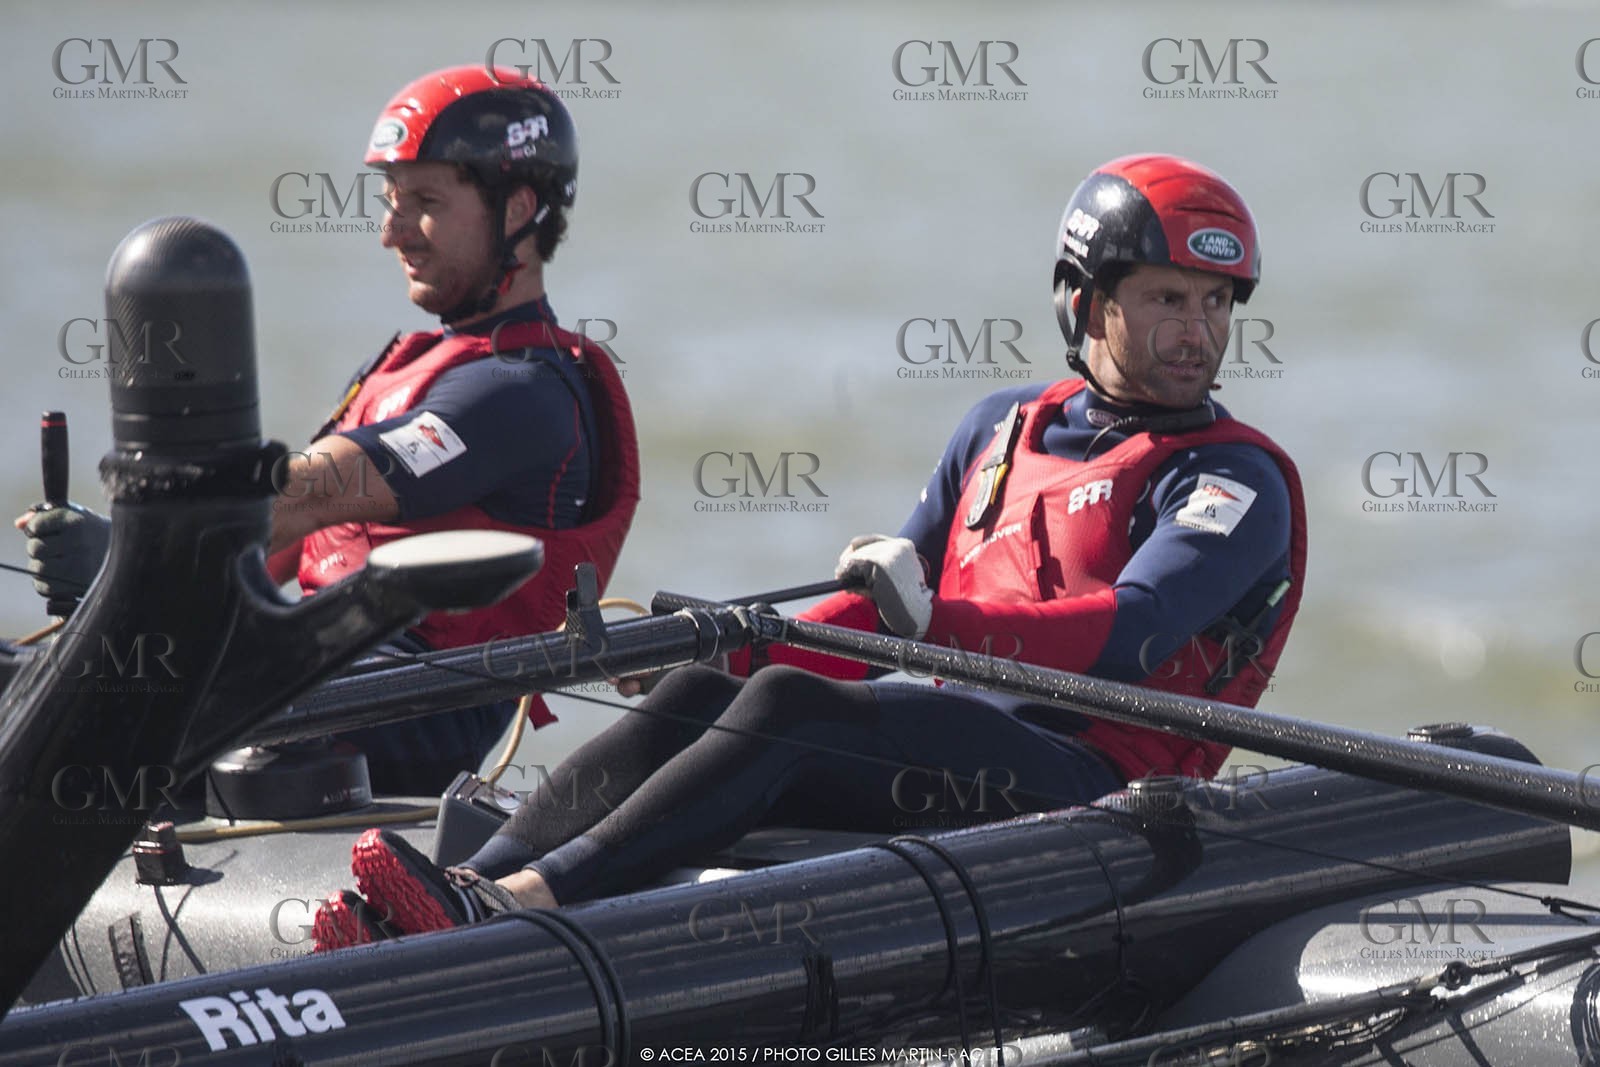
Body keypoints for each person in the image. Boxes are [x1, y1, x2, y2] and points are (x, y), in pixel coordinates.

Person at [312, 153, 1306, 948]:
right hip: (952, 742)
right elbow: (877, 610)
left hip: (1093, 786)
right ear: (1084, 303)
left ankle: (525, 901)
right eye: (1168, 299)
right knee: (705, 689)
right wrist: (733, 645)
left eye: (1215, 303)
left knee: (790, 705)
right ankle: (459, 886)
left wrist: (930, 623)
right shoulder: (999, 427)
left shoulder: (1231, 478)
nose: (1198, 332)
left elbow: (1132, 635)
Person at [16, 65, 640, 795]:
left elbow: (307, 494)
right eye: (391, 201)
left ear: (518, 211)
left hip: (403, 710)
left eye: (425, 203)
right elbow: (266, 550)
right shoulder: (415, 367)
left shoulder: (523, 392)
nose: (391, 232)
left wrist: (136, 561)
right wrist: (132, 597)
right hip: (310, 666)